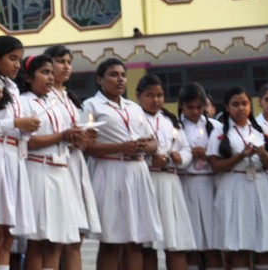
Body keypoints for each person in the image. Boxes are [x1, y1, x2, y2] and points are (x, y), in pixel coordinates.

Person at [81, 57, 162, 270]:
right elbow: (85, 146)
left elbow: (153, 142)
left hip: (137, 174)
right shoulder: (92, 105)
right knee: (110, 241)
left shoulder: (134, 108)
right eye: (113, 75)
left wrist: (143, 146)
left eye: (123, 75)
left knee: (134, 241)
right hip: (109, 173)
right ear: (100, 79)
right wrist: (120, 148)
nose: (120, 79)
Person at [206, 86, 268, 270]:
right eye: (235, 104)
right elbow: (215, 166)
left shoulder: (262, 130)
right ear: (226, 107)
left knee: (264, 242)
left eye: (245, 103)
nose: (241, 108)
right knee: (239, 243)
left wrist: (265, 155)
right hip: (234, 187)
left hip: (261, 187)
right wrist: (241, 156)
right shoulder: (220, 132)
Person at [0, 36, 38, 270]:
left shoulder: (14, 90)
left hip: (14, 158)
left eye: (19, 60)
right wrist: (14, 123)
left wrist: (26, 129)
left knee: (7, 233)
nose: (16, 65)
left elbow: (17, 128)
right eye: (12, 58)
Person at [20, 54, 84, 270]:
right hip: (39, 170)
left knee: (56, 240)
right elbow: (27, 142)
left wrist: (76, 139)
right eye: (44, 73)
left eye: (50, 73)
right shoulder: (24, 102)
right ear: (28, 77)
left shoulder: (55, 103)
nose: (49, 77)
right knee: (38, 241)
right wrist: (62, 136)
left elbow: (64, 138)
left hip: (60, 172)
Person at [41, 45, 100, 270]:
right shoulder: (44, 98)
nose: (66, 66)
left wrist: (84, 139)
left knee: (75, 236)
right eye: (60, 61)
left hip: (75, 165)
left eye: (68, 61)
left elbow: (78, 137)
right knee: (57, 238)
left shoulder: (69, 98)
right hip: (56, 167)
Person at [135, 75, 196, 270]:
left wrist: (179, 158)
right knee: (148, 245)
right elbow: (132, 148)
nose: (155, 100)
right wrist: (150, 160)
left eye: (160, 95)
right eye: (150, 95)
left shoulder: (171, 121)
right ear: (139, 96)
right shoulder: (135, 119)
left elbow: (186, 149)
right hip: (147, 182)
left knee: (175, 242)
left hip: (170, 184)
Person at [177, 82, 222, 270]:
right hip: (186, 184)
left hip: (211, 184)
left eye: (199, 107)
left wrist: (209, 154)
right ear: (181, 106)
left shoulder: (215, 126)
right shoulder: (176, 126)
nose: (195, 111)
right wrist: (187, 154)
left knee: (213, 243)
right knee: (192, 243)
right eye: (190, 107)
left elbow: (224, 153)